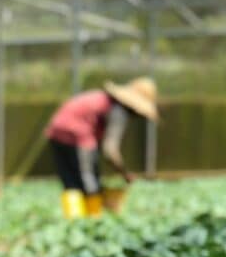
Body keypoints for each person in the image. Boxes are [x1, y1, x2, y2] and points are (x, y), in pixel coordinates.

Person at [44, 77, 159, 218]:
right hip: (79, 134)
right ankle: (93, 222)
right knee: (89, 181)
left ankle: (74, 222)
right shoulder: (118, 110)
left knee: (70, 181)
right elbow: (110, 150)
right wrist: (124, 173)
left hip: (56, 131)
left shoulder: (103, 99)